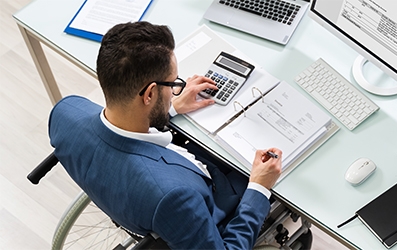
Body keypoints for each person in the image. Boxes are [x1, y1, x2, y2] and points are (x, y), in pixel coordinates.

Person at [49, 21, 282, 249]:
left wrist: (168, 108)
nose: (175, 91)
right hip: (215, 199)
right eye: (172, 84)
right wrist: (259, 188)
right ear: (149, 94)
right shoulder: (175, 198)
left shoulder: (65, 113)